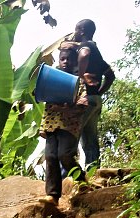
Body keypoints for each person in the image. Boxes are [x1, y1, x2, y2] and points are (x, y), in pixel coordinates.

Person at [61, 19, 116, 170]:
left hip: (84, 100)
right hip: (95, 100)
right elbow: (111, 75)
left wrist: (80, 75)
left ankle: (69, 175)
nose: (75, 33)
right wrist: (98, 92)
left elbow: (84, 54)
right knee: (90, 141)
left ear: (83, 31)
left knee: (70, 138)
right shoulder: (97, 53)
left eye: (77, 30)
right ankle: (93, 173)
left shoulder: (85, 46)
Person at [39, 48, 87, 206]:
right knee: (50, 157)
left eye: (69, 59)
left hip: (69, 127)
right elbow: (47, 105)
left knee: (65, 156)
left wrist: (68, 107)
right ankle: (52, 196)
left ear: (75, 62)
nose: (65, 62)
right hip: (52, 126)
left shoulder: (79, 81)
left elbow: (83, 104)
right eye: (62, 59)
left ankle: (82, 180)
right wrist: (42, 126)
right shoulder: (52, 79)